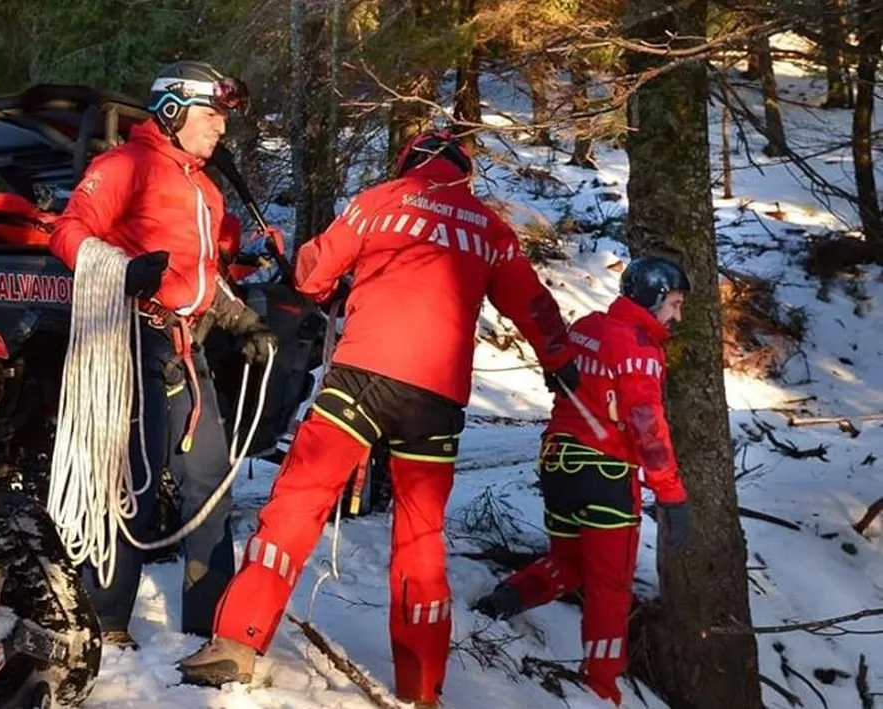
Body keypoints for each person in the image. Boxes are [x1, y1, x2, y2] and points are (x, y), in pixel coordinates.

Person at [177, 128, 580, 707]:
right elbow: (532, 301)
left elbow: (312, 275)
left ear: (409, 162)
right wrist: (559, 358)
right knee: (420, 537)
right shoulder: (489, 227)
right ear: (460, 171)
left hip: (363, 376)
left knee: (298, 503)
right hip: (436, 397)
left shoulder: (379, 200)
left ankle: (236, 643)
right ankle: (422, 686)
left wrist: (328, 274)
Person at [49, 59, 279, 648]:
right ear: (173, 111)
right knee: (134, 481)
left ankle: (211, 624)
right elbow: (68, 231)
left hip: (187, 347)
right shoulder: (126, 163)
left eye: (223, 118)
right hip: (131, 338)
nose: (221, 129)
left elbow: (204, 276)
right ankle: (103, 622)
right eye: (211, 115)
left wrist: (241, 318)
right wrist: (122, 271)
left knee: (209, 482)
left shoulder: (204, 189)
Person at [471, 255, 694, 705]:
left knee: (570, 562)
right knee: (611, 587)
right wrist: (671, 494)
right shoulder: (639, 348)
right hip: (606, 473)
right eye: (673, 303)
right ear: (651, 298)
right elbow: (647, 425)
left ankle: (501, 603)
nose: (677, 315)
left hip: (558, 463)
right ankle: (601, 687)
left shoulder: (588, 327)